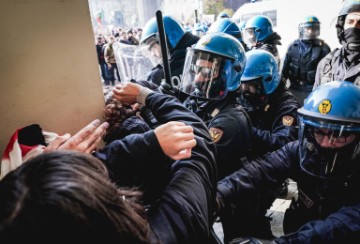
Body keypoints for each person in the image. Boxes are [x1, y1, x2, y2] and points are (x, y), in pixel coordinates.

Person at [0, 82, 218, 244]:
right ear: (105, 212)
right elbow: (198, 144)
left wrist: (59, 169)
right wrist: (145, 96)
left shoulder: (15, 225)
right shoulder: (166, 232)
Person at [216, 81, 360, 243]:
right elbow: (261, 171)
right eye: (319, 132)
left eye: (339, 135)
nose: (326, 143)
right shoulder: (302, 149)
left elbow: (342, 224)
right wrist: (220, 194)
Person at [219, 49, 300, 242]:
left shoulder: (286, 106)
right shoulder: (246, 97)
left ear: (267, 82)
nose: (245, 91)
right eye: (242, 85)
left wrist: (248, 131)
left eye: (251, 86)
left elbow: (285, 143)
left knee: (253, 228)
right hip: (242, 169)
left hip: (265, 177)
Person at [179, 32, 252, 181]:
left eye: (207, 72)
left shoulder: (231, 120)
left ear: (230, 75)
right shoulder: (198, 101)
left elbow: (192, 158)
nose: (198, 79)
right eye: (196, 69)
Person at [282, 16, 331, 105]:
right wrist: (281, 89)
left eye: (313, 29)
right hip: (294, 89)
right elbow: (285, 70)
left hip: (313, 90)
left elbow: (327, 74)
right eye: (308, 28)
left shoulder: (324, 48)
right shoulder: (292, 46)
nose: (310, 31)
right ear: (301, 30)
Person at [140, 15, 200, 88]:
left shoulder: (159, 75)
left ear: (165, 40)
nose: (152, 54)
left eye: (153, 47)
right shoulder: (201, 54)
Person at [314, 0, 360, 88]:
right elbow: (316, 99)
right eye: (350, 22)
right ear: (342, 26)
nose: (354, 27)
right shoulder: (327, 64)